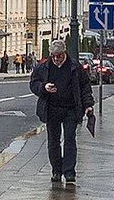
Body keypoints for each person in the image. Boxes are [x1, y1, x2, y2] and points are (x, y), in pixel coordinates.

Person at [29, 44, 93, 185]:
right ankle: (56, 171)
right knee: (53, 141)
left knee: (70, 140)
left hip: (71, 109)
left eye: (59, 56)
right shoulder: (44, 67)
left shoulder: (75, 67)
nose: (56, 59)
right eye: (53, 56)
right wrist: (44, 88)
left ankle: (69, 172)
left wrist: (88, 105)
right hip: (51, 109)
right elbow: (34, 83)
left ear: (65, 53)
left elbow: (85, 86)